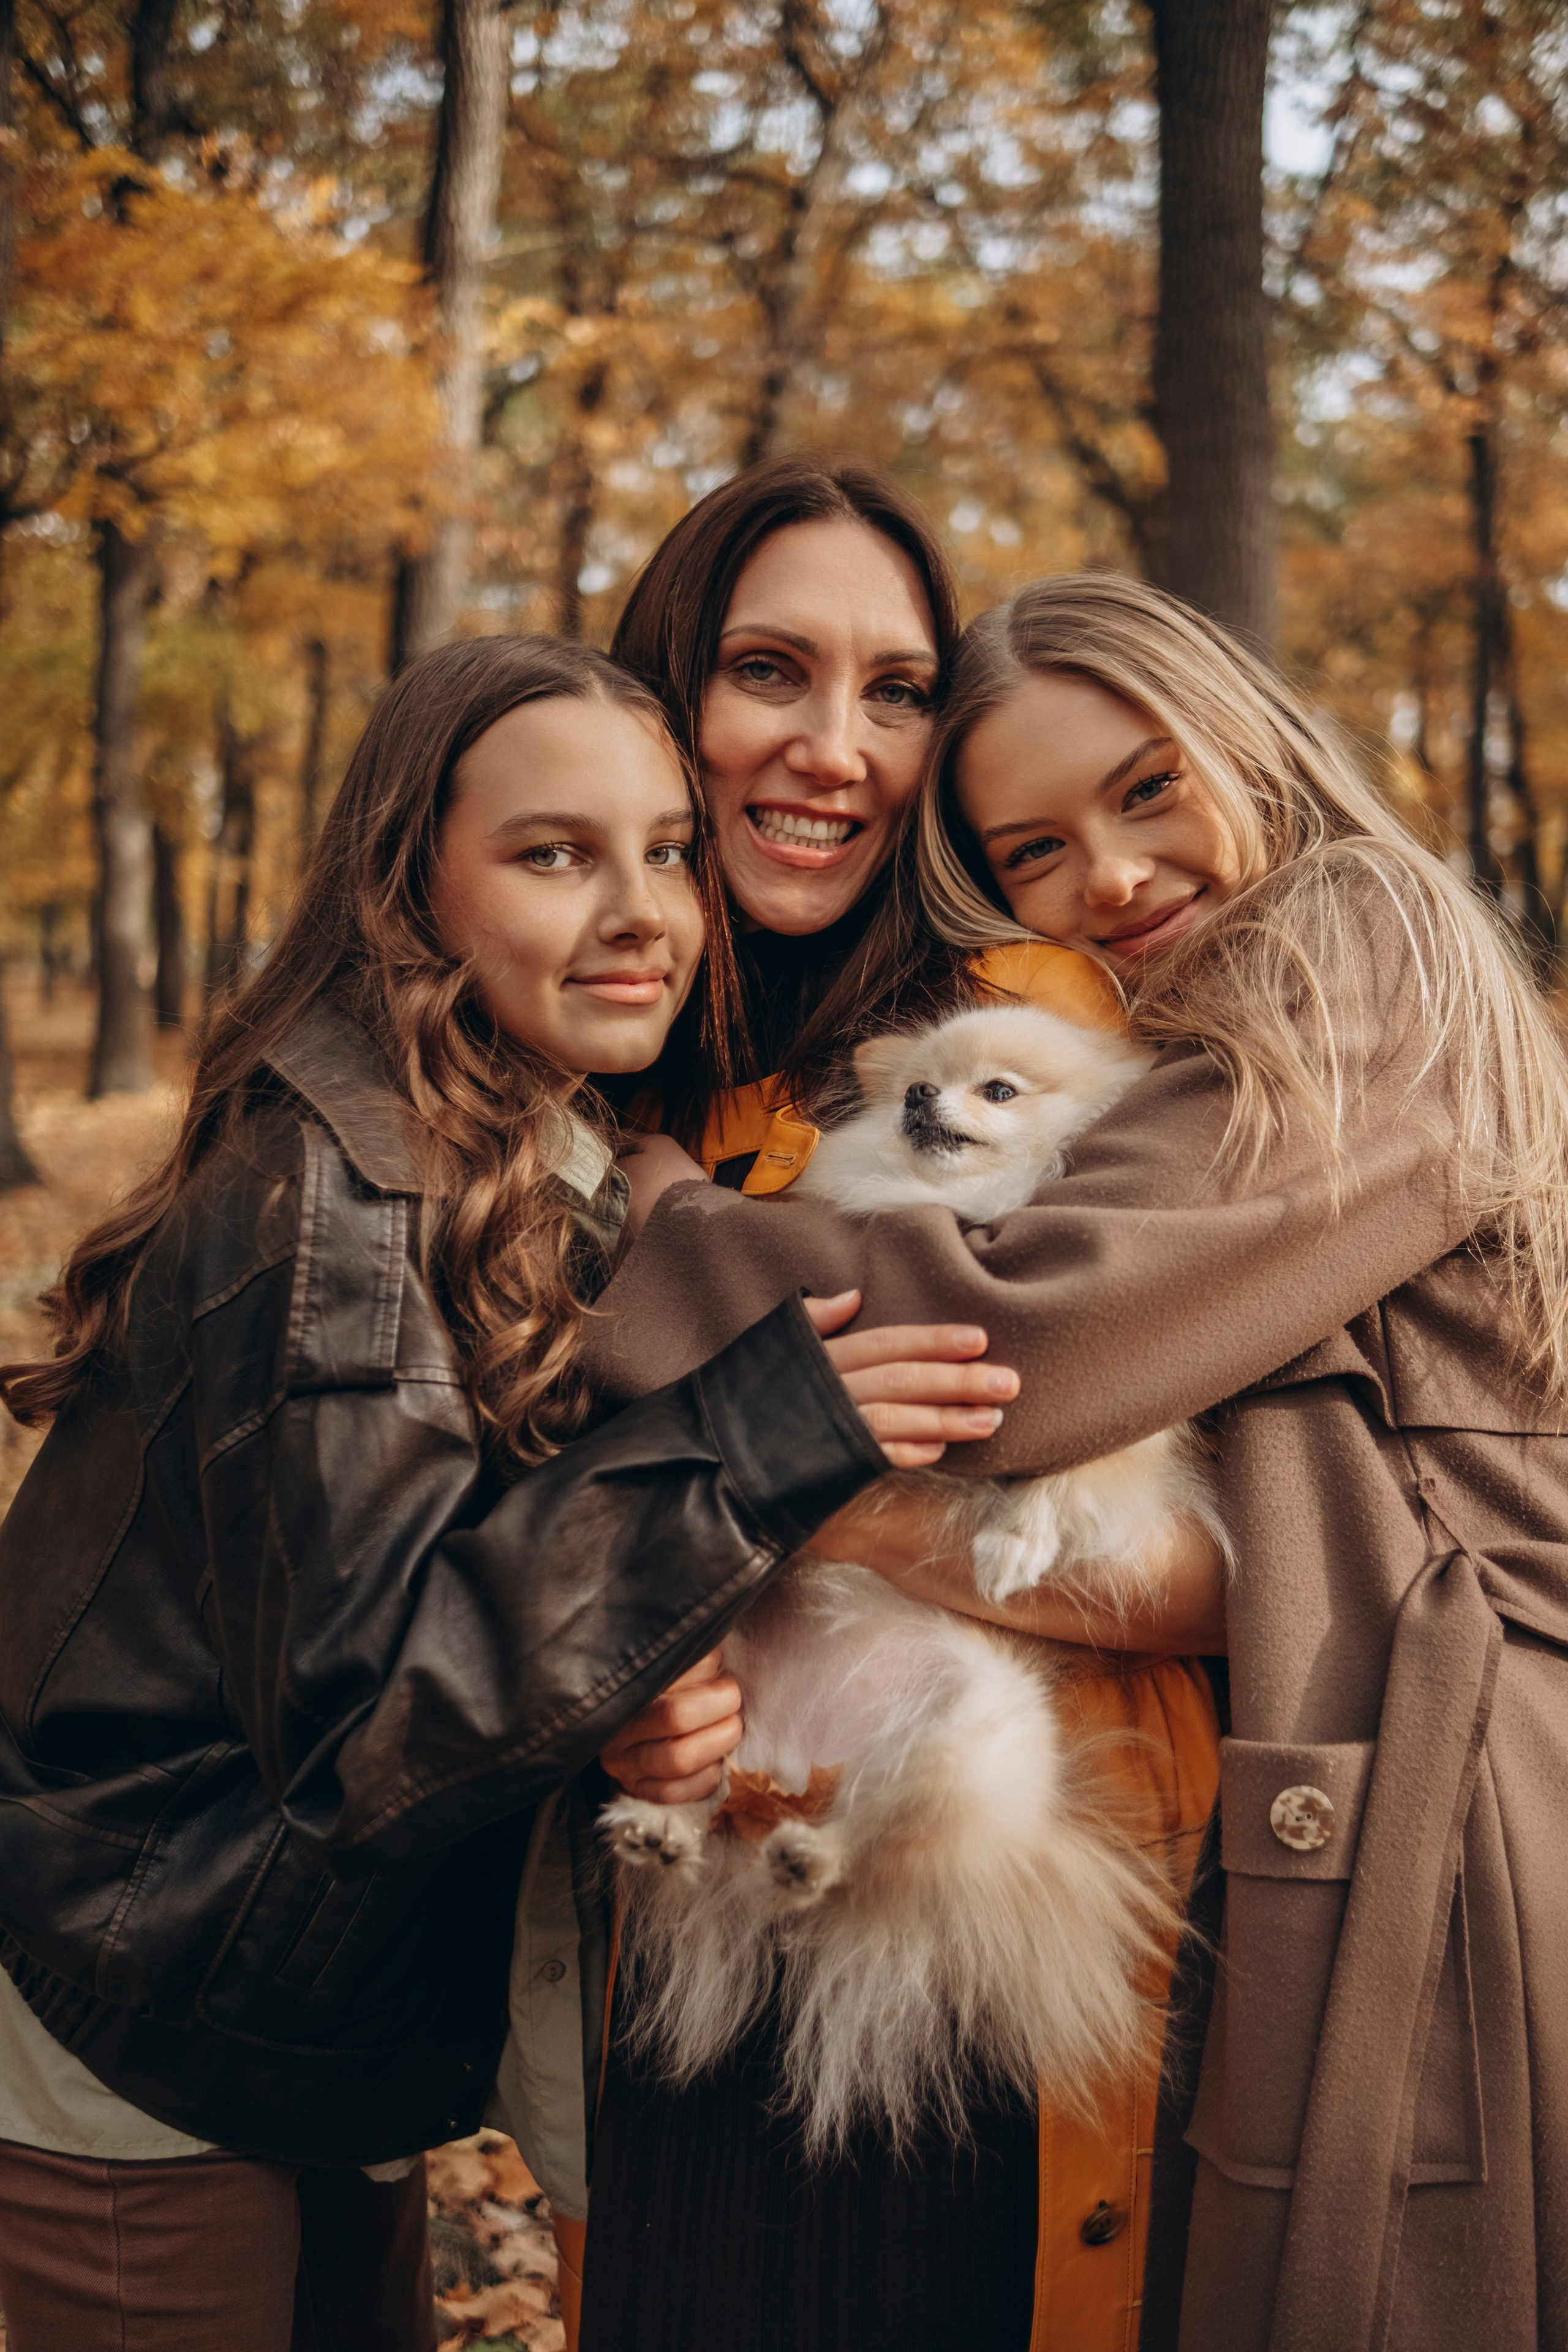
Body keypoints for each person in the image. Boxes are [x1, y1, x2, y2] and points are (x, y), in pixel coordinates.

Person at [592, 572, 1568, 2352]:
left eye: (1144, 789)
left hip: (1468, 1763)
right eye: (1032, 853)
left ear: (1247, 740)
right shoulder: (1227, 1014)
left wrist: (651, 1222)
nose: (1107, 883)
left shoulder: (1362, 935)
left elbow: (1023, 1350)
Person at [0, 635, 1008, 2352]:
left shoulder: (507, 1141)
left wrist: (624, 1703)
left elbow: (442, 1581)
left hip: (306, 2007)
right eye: (556, 854)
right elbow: (372, 1712)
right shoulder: (341, 1195)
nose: (642, 911)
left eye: (668, 850)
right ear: (412, 889)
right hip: (144, 2011)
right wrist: (748, 1439)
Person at [570, 466, 1224, 2352]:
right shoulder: (637, 1069)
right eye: (771, 671)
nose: (836, 748)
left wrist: (787, 1482)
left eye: (897, 690)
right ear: (666, 697)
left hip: (995, 1946)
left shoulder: (1044, 1027)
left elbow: (1246, 1556)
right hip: (693, 1921)